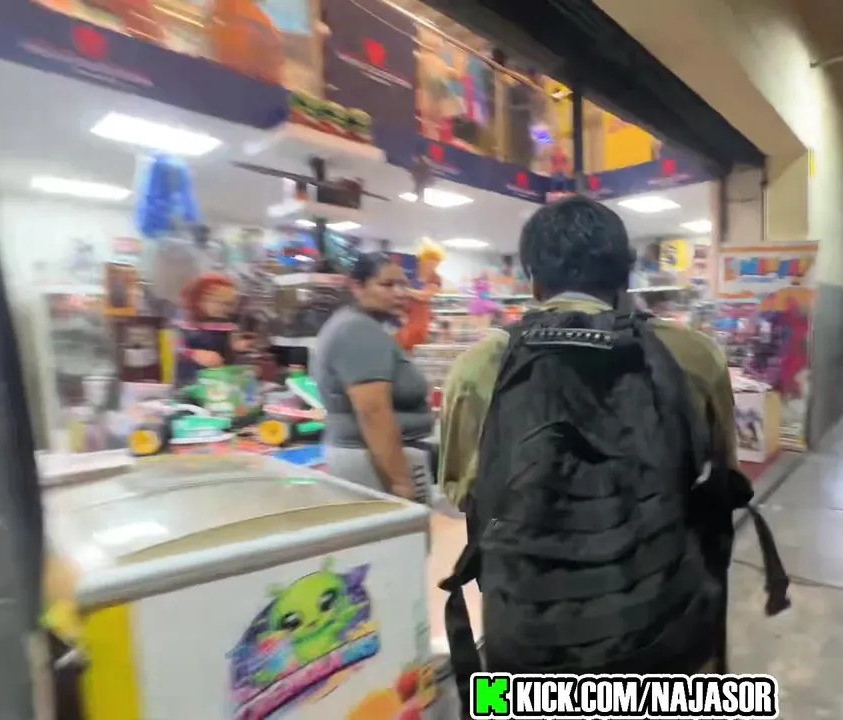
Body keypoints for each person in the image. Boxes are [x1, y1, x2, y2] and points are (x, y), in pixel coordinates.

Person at [436, 197, 787, 693]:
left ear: (533, 281)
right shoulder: (692, 355)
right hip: (661, 629)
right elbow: (721, 477)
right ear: (626, 276)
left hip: (526, 637)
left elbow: (464, 493)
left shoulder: (478, 367)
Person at [314, 253, 435, 501]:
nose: (400, 293)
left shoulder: (357, 325)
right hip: (373, 463)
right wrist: (401, 482)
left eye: (403, 285)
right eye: (387, 285)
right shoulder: (357, 330)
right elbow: (373, 411)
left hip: (371, 457)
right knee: (404, 525)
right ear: (357, 287)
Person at [174, 272, 253, 387]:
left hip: (219, 381)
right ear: (198, 300)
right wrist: (193, 353)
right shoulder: (186, 324)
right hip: (190, 379)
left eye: (228, 304)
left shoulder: (227, 325)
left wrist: (239, 346)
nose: (224, 308)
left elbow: (230, 344)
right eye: (217, 301)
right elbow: (176, 346)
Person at [395, 239, 445, 351]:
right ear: (422, 260)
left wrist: (405, 289)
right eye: (430, 261)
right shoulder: (410, 273)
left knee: (415, 343)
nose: (432, 265)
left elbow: (424, 296)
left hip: (420, 317)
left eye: (436, 262)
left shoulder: (435, 278)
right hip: (402, 314)